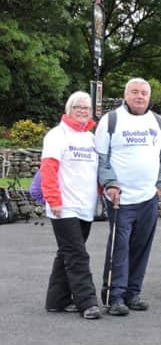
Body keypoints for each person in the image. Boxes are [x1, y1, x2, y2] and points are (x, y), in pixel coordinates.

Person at [95, 78, 161, 316]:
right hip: (121, 199)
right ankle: (114, 296)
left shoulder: (158, 122)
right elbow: (101, 156)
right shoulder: (111, 120)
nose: (140, 96)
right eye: (135, 92)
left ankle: (132, 293)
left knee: (141, 248)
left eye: (144, 93)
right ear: (125, 94)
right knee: (119, 248)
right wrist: (109, 184)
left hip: (148, 198)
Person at [42, 91, 101, 320]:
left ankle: (56, 300)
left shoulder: (90, 137)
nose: (83, 111)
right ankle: (87, 302)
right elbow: (48, 170)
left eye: (86, 107)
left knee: (66, 252)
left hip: (85, 206)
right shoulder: (57, 135)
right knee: (77, 254)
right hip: (64, 207)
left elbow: (93, 172)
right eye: (78, 107)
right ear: (69, 109)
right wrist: (54, 200)